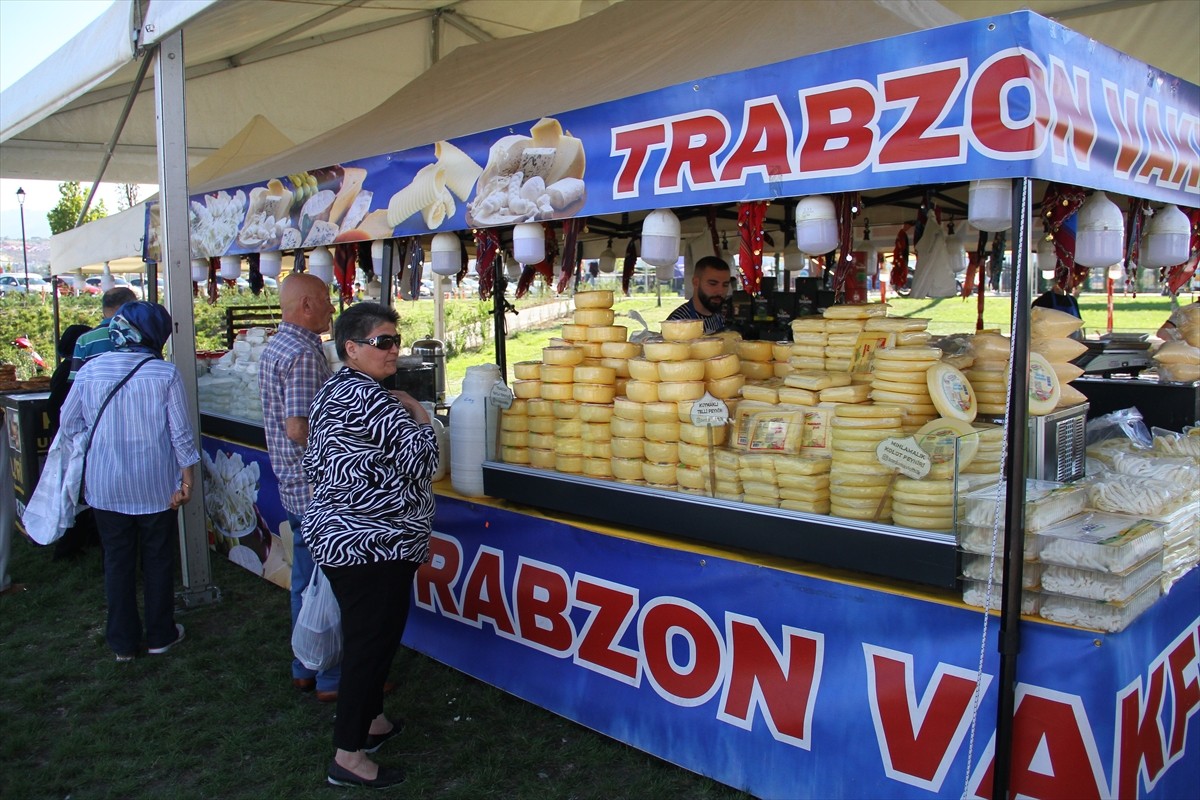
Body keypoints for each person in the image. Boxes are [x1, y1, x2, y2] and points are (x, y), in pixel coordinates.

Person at [303, 302, 438, 789]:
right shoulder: (374, 400)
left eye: (395, 341)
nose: (393, 351)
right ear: (351, 348)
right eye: (383, 342)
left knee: (375, 636)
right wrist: (420, 414)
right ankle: (349, 755)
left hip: (348, 537)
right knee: (370, 643)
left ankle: (373, 721)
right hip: (372, 544)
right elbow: (424, 462)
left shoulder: (336, 389)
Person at [58, 301, 199, 662]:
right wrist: (187, 481)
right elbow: (181, 433)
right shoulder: (163, 373)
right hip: (157, 484)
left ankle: (122, 643)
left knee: (117, 562)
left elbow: (69, 423)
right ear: (156, 335)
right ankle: (160, 635)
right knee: (157, 558)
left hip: (105, 484)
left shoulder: (90, 371)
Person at [257, 273, 341, 700]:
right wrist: (346, 447)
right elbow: (297, 427)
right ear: (306, 305)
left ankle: (305, 665)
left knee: (305, 581)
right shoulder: (305, 353)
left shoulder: (277, 345)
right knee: (331, 585)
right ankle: (331, 676)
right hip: (316, 487)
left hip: (292, 485)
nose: (332, 306)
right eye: (326, 299)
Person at [46, 324, 100, 561]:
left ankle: (83, 539)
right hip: (71, 441)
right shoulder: (70, 372)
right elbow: (57, 409)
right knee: (74, 493)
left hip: (70, 439)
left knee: (78, 493)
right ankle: (68, 547)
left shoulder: (67, 370)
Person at [70, 286, 138, 379]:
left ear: (103, 309)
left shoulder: (84, 340)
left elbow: (76, 381)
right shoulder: (139, 335)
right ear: (132, 307)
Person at [666, 256, 732, 334]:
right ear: (696, 282)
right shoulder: (677, 322)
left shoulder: (720, 317)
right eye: (713, 284)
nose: (720, 291)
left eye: (725, 285)